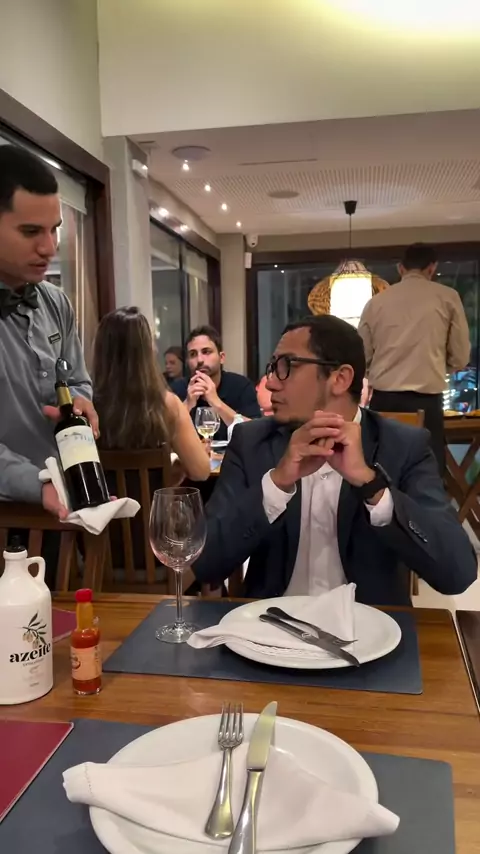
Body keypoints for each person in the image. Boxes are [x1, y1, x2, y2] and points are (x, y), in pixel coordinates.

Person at [192, 315, 476, 605]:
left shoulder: (403, 446)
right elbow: (205, 564)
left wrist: (372, 486)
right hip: (270, 622)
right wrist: (276, 484)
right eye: (273, 368)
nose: (271, 383)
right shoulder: (251, 441)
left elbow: (457, 573)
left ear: (340, 379)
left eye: (286, 366)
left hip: (370, 626)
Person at [0, 144, 97, 519]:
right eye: (30, 231)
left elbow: (78, 381)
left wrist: (81, 401)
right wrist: (36, 483)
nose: (49, 248)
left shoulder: (56, 303)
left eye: (54, 230)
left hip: (61, 504)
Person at [358, 244, 470, 473]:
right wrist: (439, 367)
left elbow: (362, 355)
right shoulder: (447, 297)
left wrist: (376, 371)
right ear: (432, 268)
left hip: (384, 400)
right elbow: (460, 355)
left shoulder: (376, 302)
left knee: (383, 470)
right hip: (427, 400)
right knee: (426, 472)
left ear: (400, 268)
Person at [93, 307, 210, 482]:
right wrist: (179, 465)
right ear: (147, 352)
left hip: (103, 501)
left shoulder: (87, 408)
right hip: (155, 501)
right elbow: (201, 472)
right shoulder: (167, 405)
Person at [171, 325, 261, 441]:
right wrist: (187, 405)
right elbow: (164, 436)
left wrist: (217, 403)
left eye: (206, 352)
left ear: (221, 357)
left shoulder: (241, 385)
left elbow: (256, 432)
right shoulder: (177, 389)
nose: (200, 360)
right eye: (193, 354)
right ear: (187, 362)